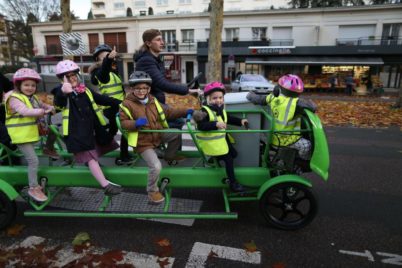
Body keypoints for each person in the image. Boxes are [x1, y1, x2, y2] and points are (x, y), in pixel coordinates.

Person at [119, 71, 193, 204]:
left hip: (157, 135)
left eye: (144, 88)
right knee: (156, 166)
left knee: (176, 133)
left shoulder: (153, 100)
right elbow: (123, 123)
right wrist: (135, 123)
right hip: (143, 143)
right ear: (132, 89)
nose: (141, 91)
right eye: (138, 88)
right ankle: (152, 191)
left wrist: (185, 111)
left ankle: (169, 156)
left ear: (149, 88)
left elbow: (169, 112)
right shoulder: (126, 104)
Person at [52, 60, 122, 196]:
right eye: (66, 76)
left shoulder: (85, 90)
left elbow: (102, 99)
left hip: (91, 130)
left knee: (99, 150)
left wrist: (123, 103)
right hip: (76, 133)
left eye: (73, 75)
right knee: (91, 158)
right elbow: (58, 104)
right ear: (61, 79)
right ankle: (106, 185)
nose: (71, 78)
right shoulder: (61, 92)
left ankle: (92, 167)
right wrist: (63, 91)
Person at [4, 68, 56, 201]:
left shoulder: (32, 98)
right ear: (18, 85)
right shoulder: (14, 99)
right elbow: (25, 111)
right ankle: (33, 188)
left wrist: (50, 107)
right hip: (20, 135)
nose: (30, 88)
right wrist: (42, 112)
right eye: (26, 85)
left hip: (29, 133)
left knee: (53, 130)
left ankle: (48, 149)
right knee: (33, 161)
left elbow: (43, 104)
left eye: (33, 85)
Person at [246, 74, 316, 169]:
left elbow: (259, 99)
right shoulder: (296, 104)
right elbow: (312, 107)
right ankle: (301, 163)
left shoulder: (273, 97)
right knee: (307, 145)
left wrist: (250, 95)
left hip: (273, 137)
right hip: (288, 139)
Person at [193, 81, 248, 192]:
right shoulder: (205, 111)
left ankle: (214, 160)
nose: (218, 100)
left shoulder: (220, 109)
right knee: (229, 159)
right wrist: (215, 124)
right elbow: (201, 126)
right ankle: (233, 183)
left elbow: (228, 117)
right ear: (208, 98)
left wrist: (240, 121)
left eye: (220, 97)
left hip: (220, 142)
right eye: (214, 98)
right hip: (211, 144)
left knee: (234, 154)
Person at [89, 44, 132, 165]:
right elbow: (103, 76)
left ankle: (94, 152)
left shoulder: (113, 71)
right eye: (104, 56)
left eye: (108, 55)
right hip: (111, 108)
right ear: (98, 59)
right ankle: (123, 157)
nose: (107, 57)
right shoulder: (98, 72)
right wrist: (108, 60)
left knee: (110, 133)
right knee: (125, 130)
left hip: (118, 106)